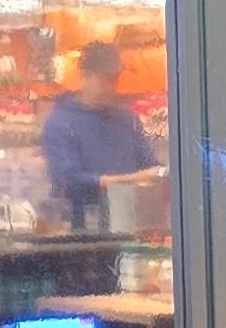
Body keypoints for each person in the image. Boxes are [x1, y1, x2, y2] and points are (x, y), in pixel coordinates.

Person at [40, 42, 153, 232]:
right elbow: (68, 179)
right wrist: (124, 181)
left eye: (115, 79)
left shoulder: (127, 119)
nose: (111, 86)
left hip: (128, 227)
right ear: (84, 77)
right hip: (80, 233)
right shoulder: (60, 122)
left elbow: (150, 165)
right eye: (105, 79)